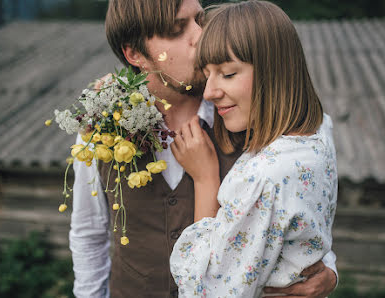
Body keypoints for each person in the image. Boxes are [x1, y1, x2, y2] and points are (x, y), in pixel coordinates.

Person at [69, 0, 338, 297]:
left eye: (199, 19)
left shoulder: (261, 116)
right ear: (134, 54)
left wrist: (329, 274)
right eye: (177, 29)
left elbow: (307, 217)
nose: (199, 35)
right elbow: (89, 235)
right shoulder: (102, 127)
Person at [169, 1, 338, 297]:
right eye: (208, 74)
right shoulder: (319, 129)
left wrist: (205, 179)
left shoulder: (262, 178)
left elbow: (207, 291)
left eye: (228, 73)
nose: (209, 92)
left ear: (275, 71)